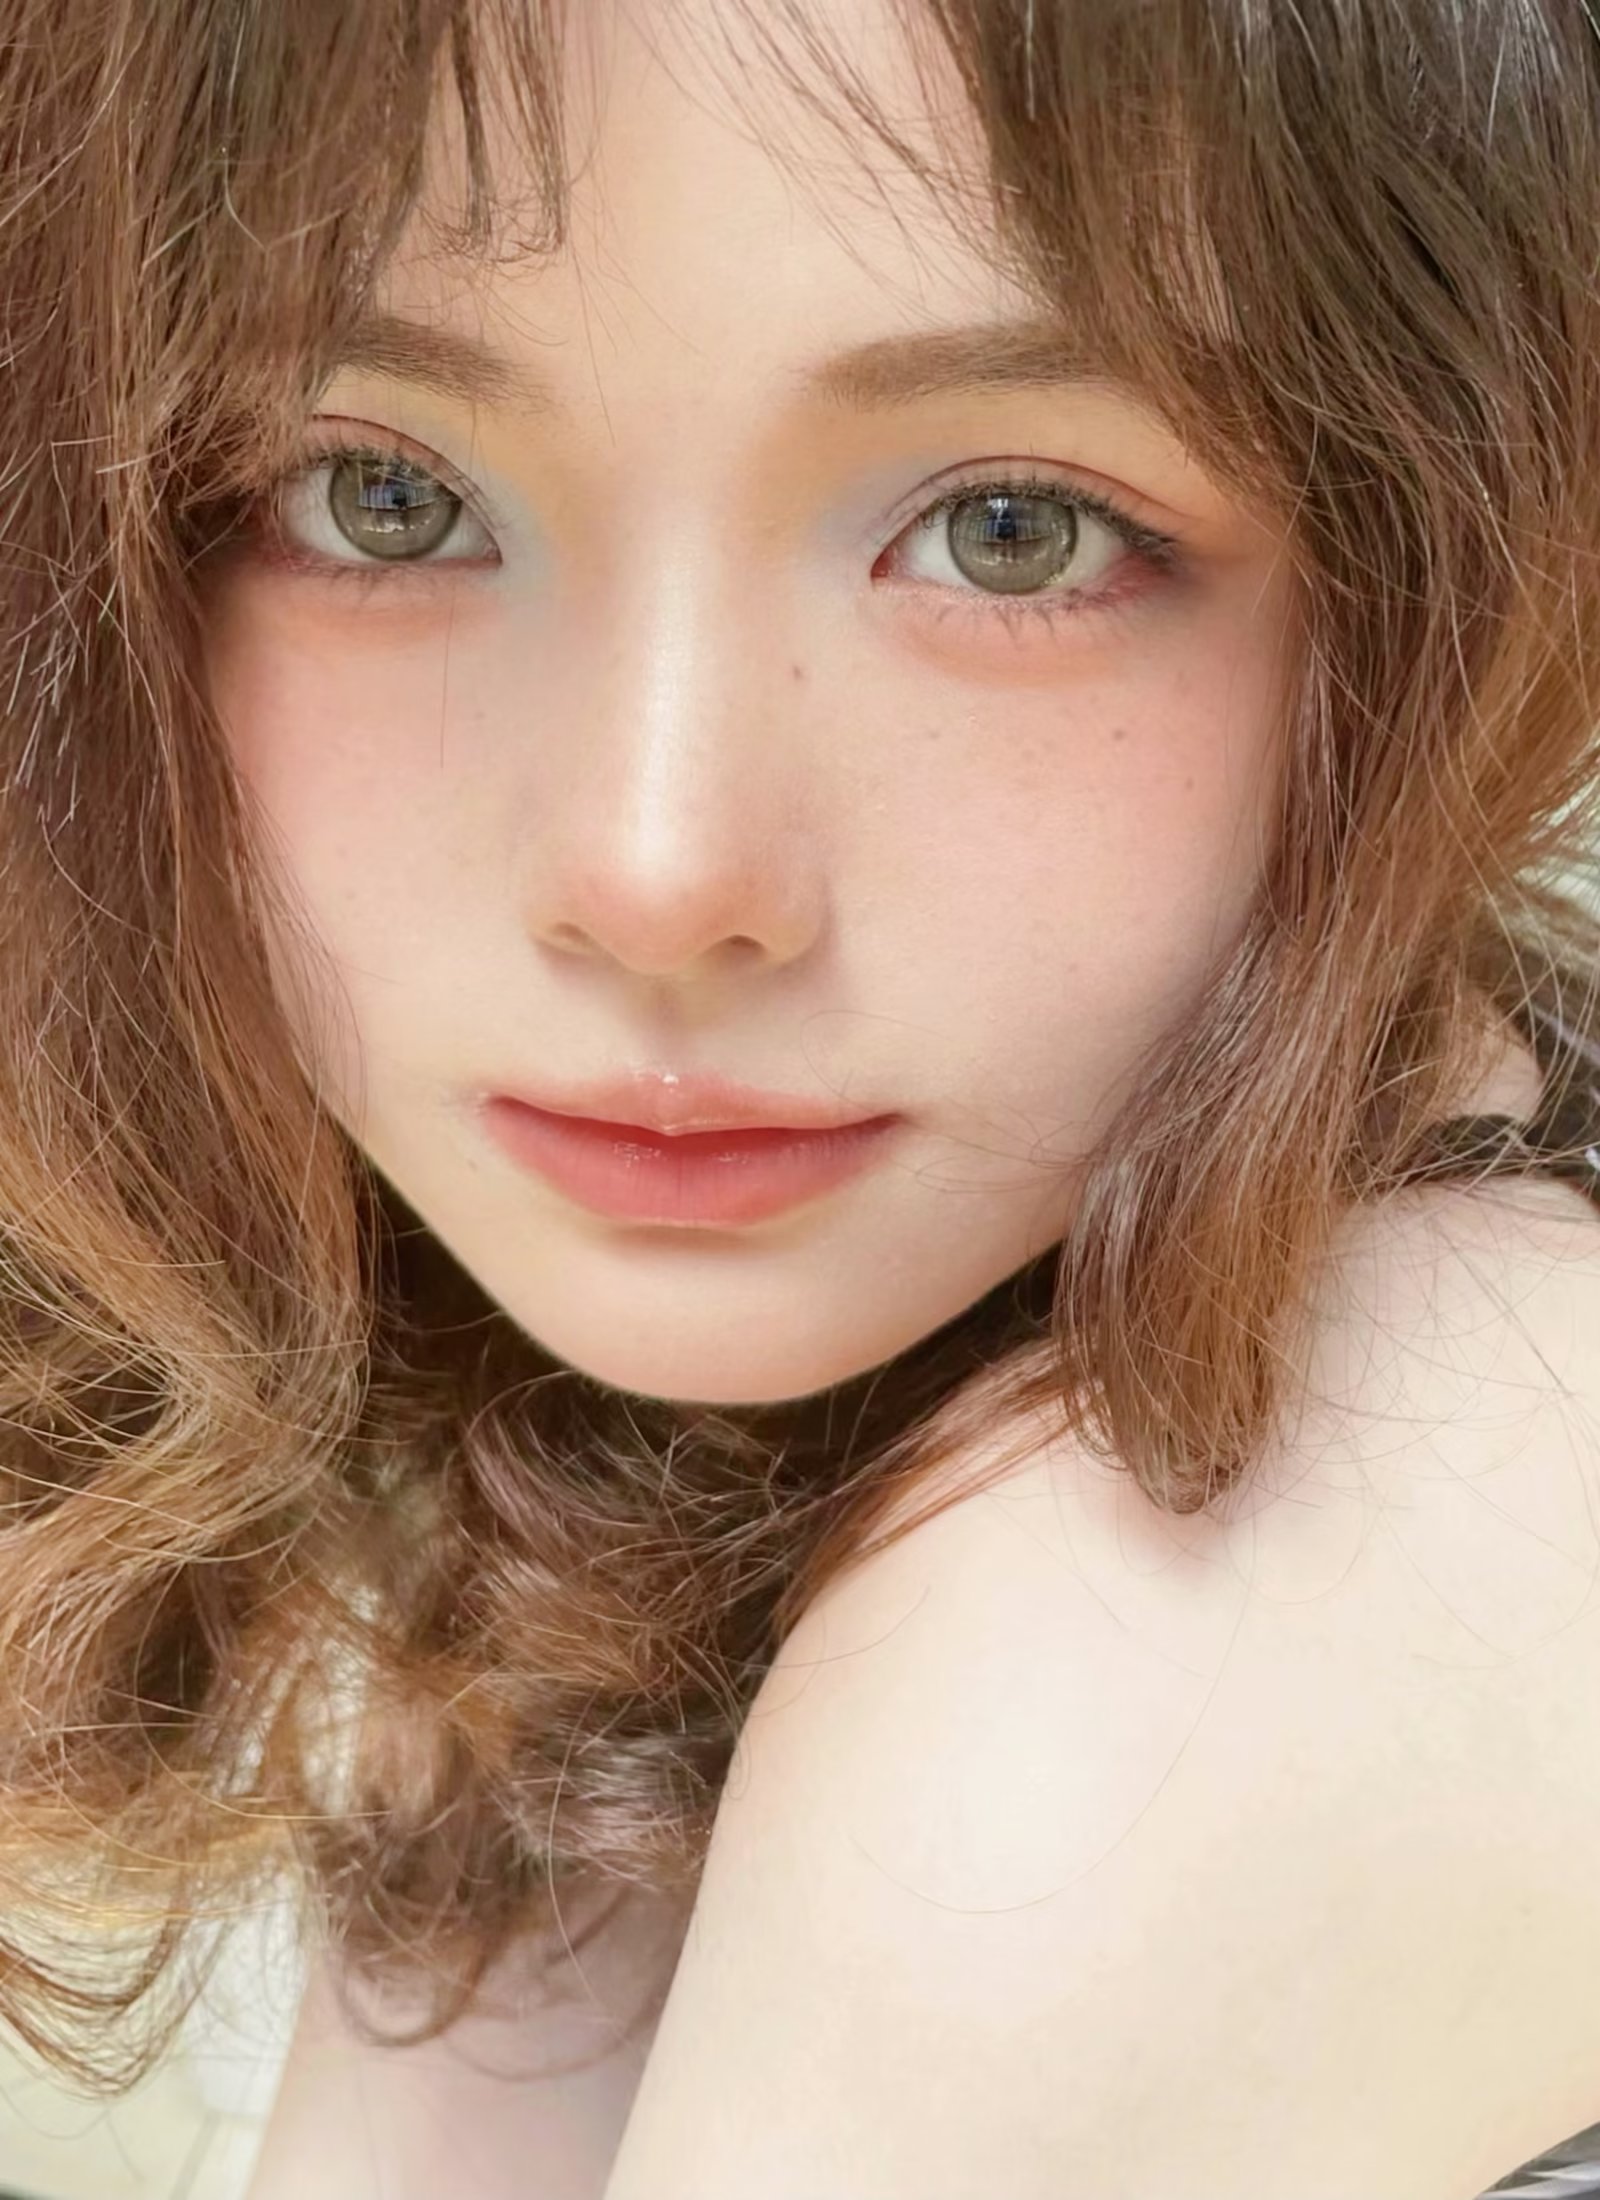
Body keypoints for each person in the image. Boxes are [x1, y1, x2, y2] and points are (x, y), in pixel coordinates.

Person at [2, 0, 1600, 2194]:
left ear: (1448, 559)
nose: (657, 871)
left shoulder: (1193, 1621)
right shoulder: (689, 1468)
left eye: (1015, 531)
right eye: (388, 496)